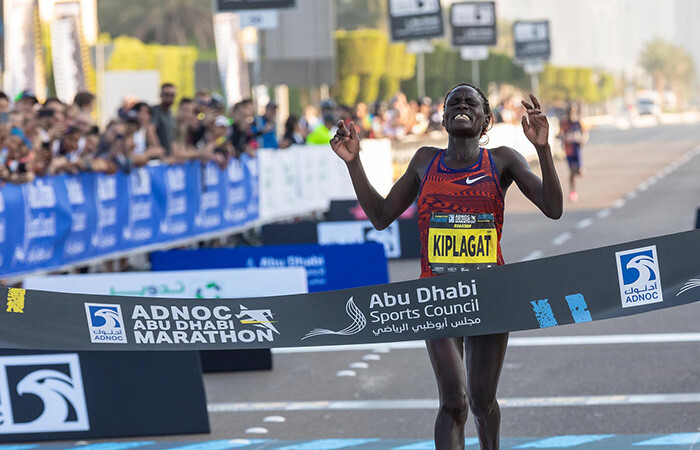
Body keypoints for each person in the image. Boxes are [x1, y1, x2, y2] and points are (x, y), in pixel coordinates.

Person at [331, 83, 562, 450]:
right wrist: (353, 162)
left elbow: (553, 207)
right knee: (454, 402)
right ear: (443, 117)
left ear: (486, 119)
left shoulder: (502, 160)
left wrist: (543, 148)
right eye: (454, 102)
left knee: (482, 403)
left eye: (470, 102)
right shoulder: (425, 160)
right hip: (436, 295)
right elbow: (380, 215)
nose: (461, 105)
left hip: (489, 293)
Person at [558, 105, 587, 202]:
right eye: (569, 113)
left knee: (579, 172)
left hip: (576, 148)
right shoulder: (564, 123)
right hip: (568, 149)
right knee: (571, 172)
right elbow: (560, 133)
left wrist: (583, 140)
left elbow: (585, 132)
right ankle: (573, 192)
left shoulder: (578, 122)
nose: (571, 114)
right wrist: (560, 137)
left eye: (572, 112)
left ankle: (579, 170)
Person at [151, 83, 177, 156]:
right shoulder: (156, 110)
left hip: (168, 157)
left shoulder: (171, 114)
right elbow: (151, 131)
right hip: (157, 158)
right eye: (166, 94)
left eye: (172, 95)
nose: (169, 98)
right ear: (161, 95)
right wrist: (158, 151)